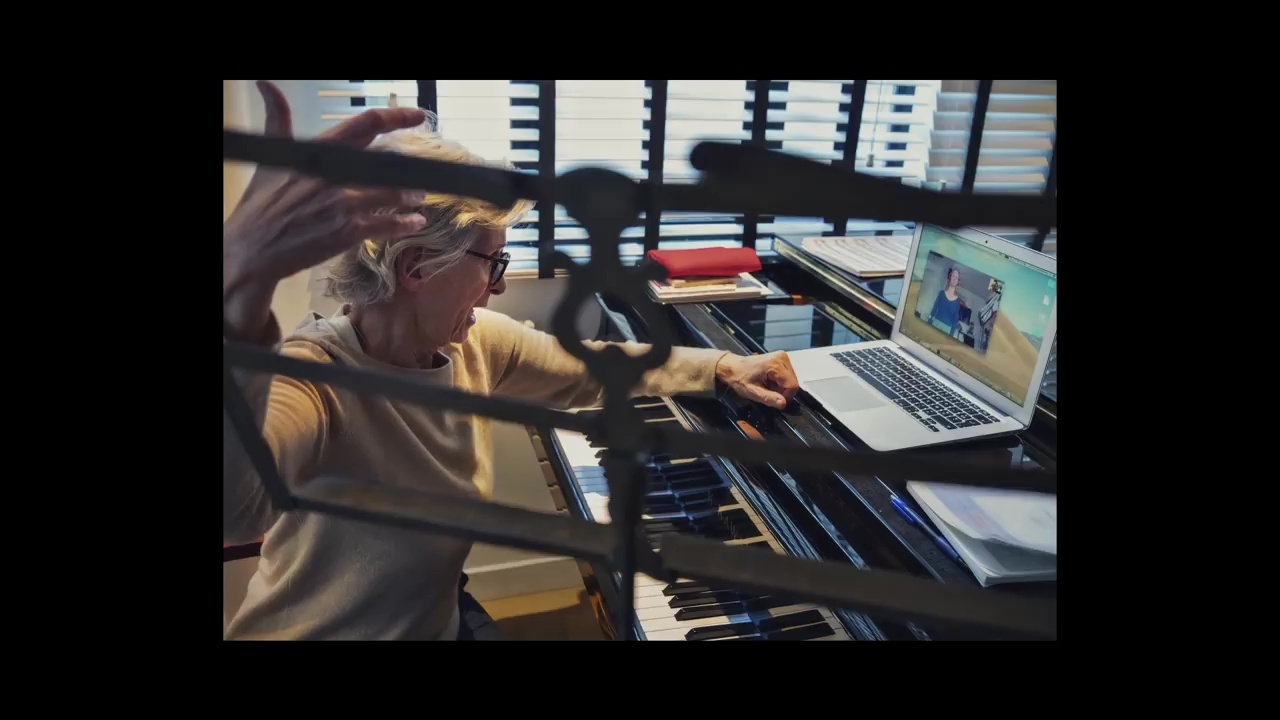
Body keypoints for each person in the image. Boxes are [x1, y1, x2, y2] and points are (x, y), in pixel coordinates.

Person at [222, 81, 802, 640]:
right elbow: (235, 509)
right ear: (417, 268)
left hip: (437, 617)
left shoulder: (473, 344)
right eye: (493, 261)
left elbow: (595, 367)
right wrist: (238, 290)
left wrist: (723, 366)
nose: (497, 287)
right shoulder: (313, 379)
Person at [929, 267, 964, 336]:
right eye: (953, 275)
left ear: (958, 282)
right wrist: (929, 323)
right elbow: (933, 310)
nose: (954, 278)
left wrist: (950, 335)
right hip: (935, 324)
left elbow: (954, 321)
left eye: (956, 277)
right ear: (950, 277)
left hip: (947, 330)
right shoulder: (941, 293)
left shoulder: (958, 301)